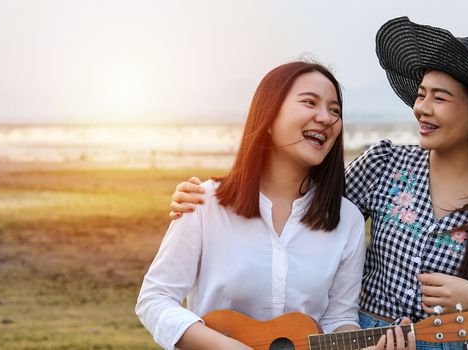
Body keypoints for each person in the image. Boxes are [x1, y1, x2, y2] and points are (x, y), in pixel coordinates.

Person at [167, 17, 468, 350]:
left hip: (449, 339)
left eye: (440, 97)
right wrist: (220, 192)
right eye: (421, 95)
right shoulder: (386, 164)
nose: (422, 108)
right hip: (357, 338)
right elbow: (300, 199)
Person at [136, 61, 415, 350]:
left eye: (335, 110)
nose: (326, 118)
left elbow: (338, 318)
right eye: (310, 102)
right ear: (268, 115)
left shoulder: (348, 220)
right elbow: (154, 298)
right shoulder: (204, 202)